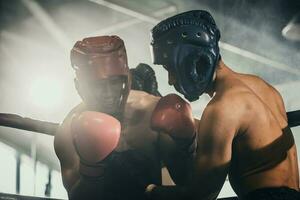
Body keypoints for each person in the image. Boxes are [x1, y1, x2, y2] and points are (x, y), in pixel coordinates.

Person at [147, 10, 300, 200]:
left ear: (192, 60)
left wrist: (151, 191)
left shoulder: (221, 108)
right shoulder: (263, 88)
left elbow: (202, 194)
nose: (170, 81)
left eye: (170, 68)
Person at [53, 35, 197, 200]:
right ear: (79, 87)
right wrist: (91, 168)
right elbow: (77, 197)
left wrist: (186, 146)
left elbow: (186, 181)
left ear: (128, 79)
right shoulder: (69, 131)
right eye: (97, 85)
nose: (108, 93)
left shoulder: (152, 111)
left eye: (115, 82)